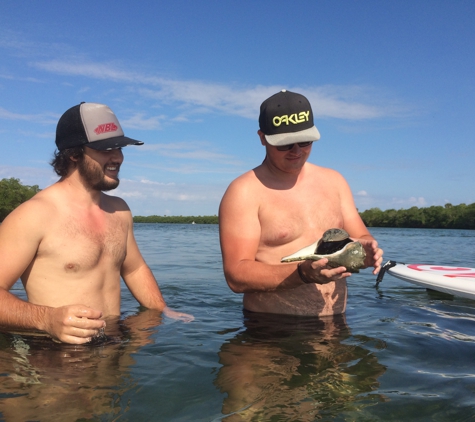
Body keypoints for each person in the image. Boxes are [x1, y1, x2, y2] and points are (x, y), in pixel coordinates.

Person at [0, 102, 193, 344]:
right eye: (106, 149)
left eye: (120, 148)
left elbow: (134, 269)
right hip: (55, 353)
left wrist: (163, 310)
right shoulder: (33, 215)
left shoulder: (119, 210)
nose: (118, 158)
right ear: (73, 153)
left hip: (113, 342)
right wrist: (47, 319)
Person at [219, 90, 383, 316]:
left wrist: (367, 251)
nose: (296, 151)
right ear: (262, 138)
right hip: (269, 332)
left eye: (304, 141)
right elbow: (236, 275)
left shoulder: (335, 182)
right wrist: (301, 274)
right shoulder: (244, 192)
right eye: (285, 144)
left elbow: (362, 238)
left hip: (335, 328)